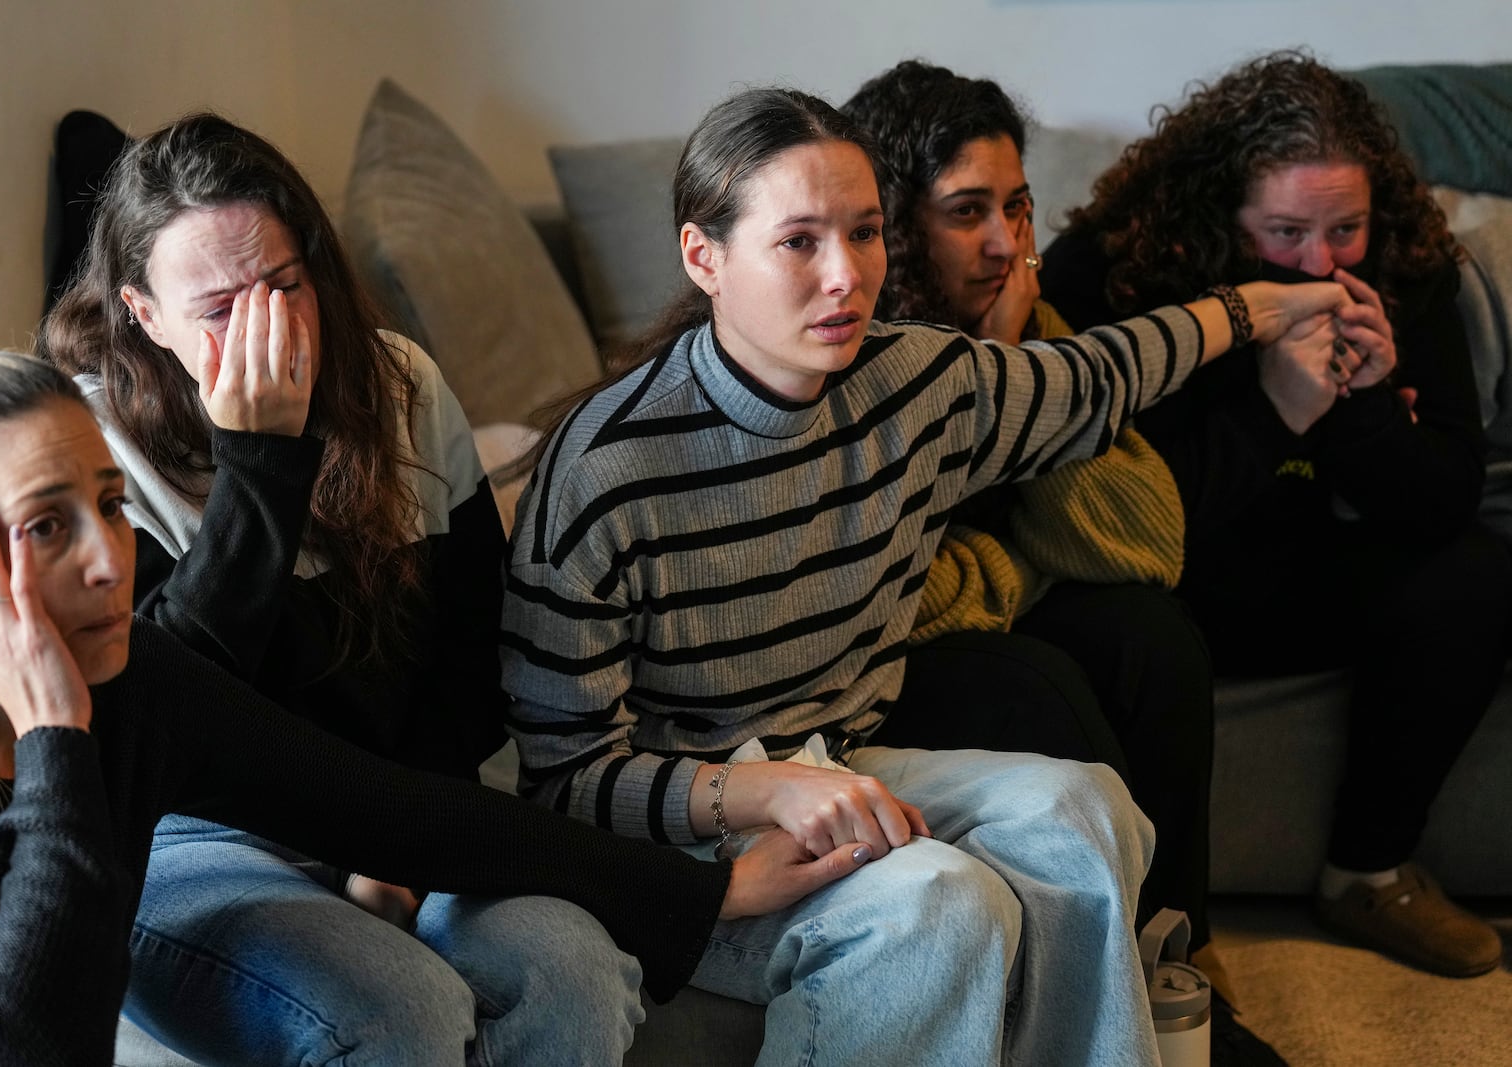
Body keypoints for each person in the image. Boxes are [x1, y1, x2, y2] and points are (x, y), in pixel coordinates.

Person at [500, 86, 1352, 1065]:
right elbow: (562, 780)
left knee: (1087, 809)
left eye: (863, 234)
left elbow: (1100, 374)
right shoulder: (608, 467)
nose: (844, 277)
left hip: (837, 759)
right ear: (705, 257)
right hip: (686, 822)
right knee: (948, 900)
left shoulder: (916, 380)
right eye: (799, 242)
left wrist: (1261, 309)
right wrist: (760, 794)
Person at [0, 350, 865, 1067]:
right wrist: (51, 733)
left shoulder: (134, 681)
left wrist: (705, 891)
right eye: (46, 523)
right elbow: (34, 1038)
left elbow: (396, 813)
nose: (107, 560)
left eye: (112, 507)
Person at [39, 112, 679, 1065]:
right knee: (396, 1007)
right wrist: (261, 459)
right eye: (219, 309)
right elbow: (169, 724)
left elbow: (471, 657)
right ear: (144, 312)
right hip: (197, 836)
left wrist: (396, 848)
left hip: (397, 803)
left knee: (571, 970)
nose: (268, 327)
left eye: (285, 285)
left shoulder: (401, 385)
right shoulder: (94, 453)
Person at [837, 59, 1294, 1064]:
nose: (1004, 243)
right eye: (966, 213)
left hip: (966, 619)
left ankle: (1178, 955)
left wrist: (1023, 369)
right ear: (894, 224)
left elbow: (1143, 542)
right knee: (1033, 676)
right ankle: (1114, 981)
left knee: (1151, 638)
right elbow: (900, 600)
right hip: (858, 676)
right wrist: (1017, 563)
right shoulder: (851, 349)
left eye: (1016, 206)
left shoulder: (1026, 325)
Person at [1041, 50, 1512, 979]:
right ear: (1226, 214)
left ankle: (1369, 870)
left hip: (1318, 569)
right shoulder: (1120, 269)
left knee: (1473, 573)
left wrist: (1367, 408)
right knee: (1131, 629)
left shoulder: (1409, 267)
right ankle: (1171, 930)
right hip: (1177, 578)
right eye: (1288, 231)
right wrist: (1273, 413)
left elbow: (1444, 495)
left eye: (1347, 228)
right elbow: (1120, 521)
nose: (1322, 264)